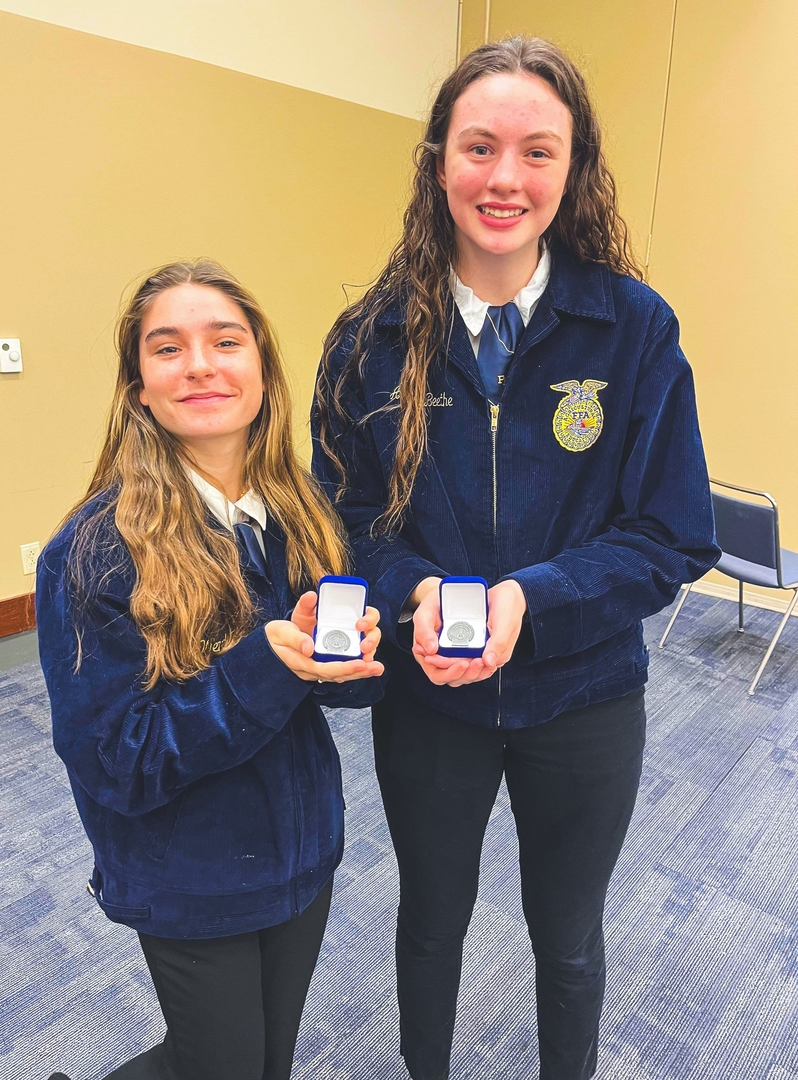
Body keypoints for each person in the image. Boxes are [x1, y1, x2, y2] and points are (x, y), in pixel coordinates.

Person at [313, 36, 719, 1080]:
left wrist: (528, 601)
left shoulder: (631, 329)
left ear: (574, 168)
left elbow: (673, 532)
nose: (505, 178)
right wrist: (420, 595)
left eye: (539, 152)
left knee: (570, 937)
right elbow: (343, 519)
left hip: (583, 700)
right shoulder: (369, 337)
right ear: (437, 158)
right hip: (431, 701)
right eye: (480, 146)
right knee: (430, 924)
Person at [36, 259, 384, 1080]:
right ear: (139, 388)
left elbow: (333, 686)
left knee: (270, 1060)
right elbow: (117, 760)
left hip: (300, 850)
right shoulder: (91, 556)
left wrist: (358, 665)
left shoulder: (301, 511)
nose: (200, 364)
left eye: (225, 341)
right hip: (189, 877)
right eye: (168, 349)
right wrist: (265, 665)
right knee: (213, 1064)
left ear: (261, 369)